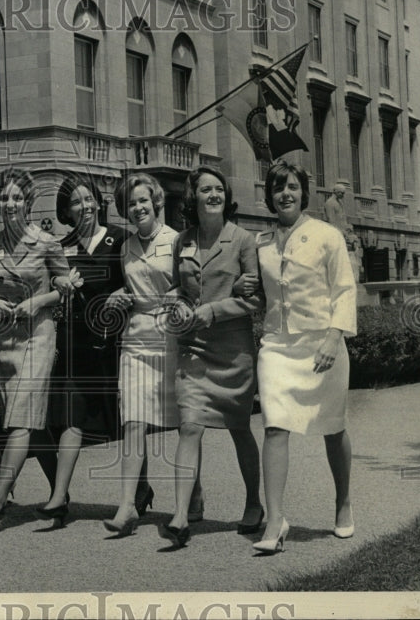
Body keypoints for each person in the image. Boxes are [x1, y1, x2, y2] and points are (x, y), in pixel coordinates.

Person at [248, 162, 357, 554]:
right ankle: (276, 521)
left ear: (303, 192)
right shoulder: (259, 242)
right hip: (277, 344)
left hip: (321, 343)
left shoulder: (327, 235)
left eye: (292, 186)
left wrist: (333, 337)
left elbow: (344, 289)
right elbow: (262, 296)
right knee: (275, 426)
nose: (285, 194)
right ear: (270, 196)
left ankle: (342, 501)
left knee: (332, 426)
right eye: (278, 188)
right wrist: (250, 290)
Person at [161, 166, 265, 548]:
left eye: (219, 189)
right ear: (194, 197)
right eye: (206, 189)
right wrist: (174, 301)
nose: (213, 195)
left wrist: (214, 310)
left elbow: (254, 300)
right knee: (189, 426)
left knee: (239, 429)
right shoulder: (182, 241)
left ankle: (254, 503)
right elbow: (177, 284)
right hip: (193, 347)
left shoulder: (243, 240)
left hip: (232, 351)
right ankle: (180, 513)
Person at [0, 166, 78, 531]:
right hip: (4, 342)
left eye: (17, 197)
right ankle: (59, 499)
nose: (10, 203)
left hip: (38, 335)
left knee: (20, 416)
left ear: (28, 202)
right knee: (35, 423)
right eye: (4, 197)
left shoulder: (46, 242)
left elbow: (64, 283)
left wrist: (45, 296)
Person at [37, 173, 127, 528]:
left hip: (112, 343)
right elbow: (51, 286)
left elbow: (134, 281)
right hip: (75, 343)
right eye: (76, 202)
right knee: (71, 420)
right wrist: (61, 282)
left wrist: (122, 297)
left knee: (124, 422)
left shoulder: (119, 239)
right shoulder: (62, 246)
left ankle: (141, 488)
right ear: (66, 211)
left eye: (89, 199)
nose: (84, 206)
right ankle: (59, 497)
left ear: (98, 202)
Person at [103, 172, 179, 537]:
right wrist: (122, 295)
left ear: (156, 202)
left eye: (143, 201)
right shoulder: (125, 247)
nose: (137, 208)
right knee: (132, 419)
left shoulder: (176, 241)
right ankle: (128, 504)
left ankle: (192, 492)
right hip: (135, 338)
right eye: (131, 204)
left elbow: (188, 288)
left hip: (170, 337)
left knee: (180, 420)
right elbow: (134, 285)